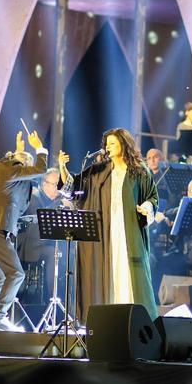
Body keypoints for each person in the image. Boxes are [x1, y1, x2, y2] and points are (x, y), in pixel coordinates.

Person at [0, 129, 58, 331]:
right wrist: (39, 148)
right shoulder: (8, 169)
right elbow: (40, 168)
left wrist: (18, 150)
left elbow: (17, 172)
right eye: (26, 165)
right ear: (20, 164)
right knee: (17, 274)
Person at [75, 128, 158, 318]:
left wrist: (146, 207)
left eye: (112, 143)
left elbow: (152, 197)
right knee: (109, 271)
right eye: (107, 144)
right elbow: (77, 187)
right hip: (106, 230)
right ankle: (110, 318)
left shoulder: (139, 171)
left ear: (123, 144)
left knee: (127, 272)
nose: (108, 147)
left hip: (128, 229)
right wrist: (63, 169)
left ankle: (132, 318)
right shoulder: (100, 171)